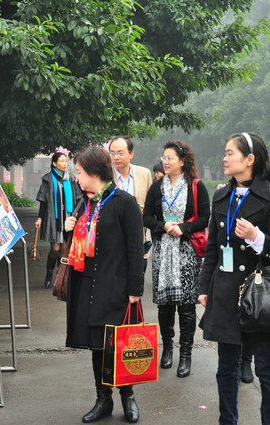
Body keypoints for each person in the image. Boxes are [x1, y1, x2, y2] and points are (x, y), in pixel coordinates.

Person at [198, 132, 270, 425]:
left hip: (258, 294)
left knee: (266, 367)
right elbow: (213, 248)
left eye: (230, 153)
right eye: (225, 153)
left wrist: (256, 237)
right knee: (226, 368)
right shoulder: (221, 195)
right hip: (225, 290)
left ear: (250, 159)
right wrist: (204, 287)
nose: (225, 158)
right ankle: (227, 420)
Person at [64, 147, 144, 423]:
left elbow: (135, 249)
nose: (77, 177)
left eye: (79, 172)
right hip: (89, 284)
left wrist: (135, 289)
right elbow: (79, 244)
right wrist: (69, 228)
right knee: (97, 344)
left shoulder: (124, 202)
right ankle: (103, 399)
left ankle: (127, 396)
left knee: (119, 345)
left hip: (116, 285)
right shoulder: (84, 203)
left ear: (94, 172)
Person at [143, 140, 210, 378]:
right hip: (162, 252)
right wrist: (163, 225)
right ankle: (167, 348)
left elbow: (205, 217)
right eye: (164, 157)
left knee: (187, 306)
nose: (165, 161)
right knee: (165, 306)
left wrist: (183, 228)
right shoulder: (156, 187)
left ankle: (186, 354)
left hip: (187, 252)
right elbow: (146, 217)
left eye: (170, 157)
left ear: (182, 161)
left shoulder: (196, 186)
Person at [35, 152, 83, 288]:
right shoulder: (48, 179)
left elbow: (78, 198)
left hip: (68, 218)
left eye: (66, 161)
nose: (65, 163)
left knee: (64, 249)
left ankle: (59, 277)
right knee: (55, 248)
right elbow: (43, 201)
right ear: (54, 163)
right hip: (53, 219)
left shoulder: (71, 179)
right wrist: (40, 218)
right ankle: (49, 274)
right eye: (61, 161)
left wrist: (77, 215)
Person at [108, 136, 153, 269]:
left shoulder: (144, 174)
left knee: (137, 278)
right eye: (112, 153)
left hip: (138, 240)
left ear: (131, 154)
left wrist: (146, 210)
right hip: (112, 242)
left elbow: (151, 205)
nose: (116, 157)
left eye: (120, 153)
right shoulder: (104, 175)